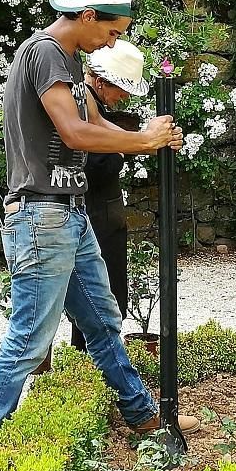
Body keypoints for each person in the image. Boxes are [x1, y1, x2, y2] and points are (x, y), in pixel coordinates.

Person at [0, 0, 198, 458]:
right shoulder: (43, 53)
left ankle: (140, 413)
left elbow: (98, 126)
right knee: (30, 340)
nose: (112, 42)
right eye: (113, 32)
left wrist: (151, 132)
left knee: (102, 321)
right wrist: (144, 140)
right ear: (89, 15)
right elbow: (74, 134)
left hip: (68, 215)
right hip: (40, 215)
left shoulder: (71, 63)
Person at [69, 39, 150, 352]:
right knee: (100, 298)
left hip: (105, 215)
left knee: (106, 297)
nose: (125, 97)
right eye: (122, 89)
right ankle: (91, 367)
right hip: (96, 216)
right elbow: (90, 165)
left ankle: (94, 367)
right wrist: (119, 151)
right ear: (101, 82)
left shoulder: (93, 106)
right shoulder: (83, 109)